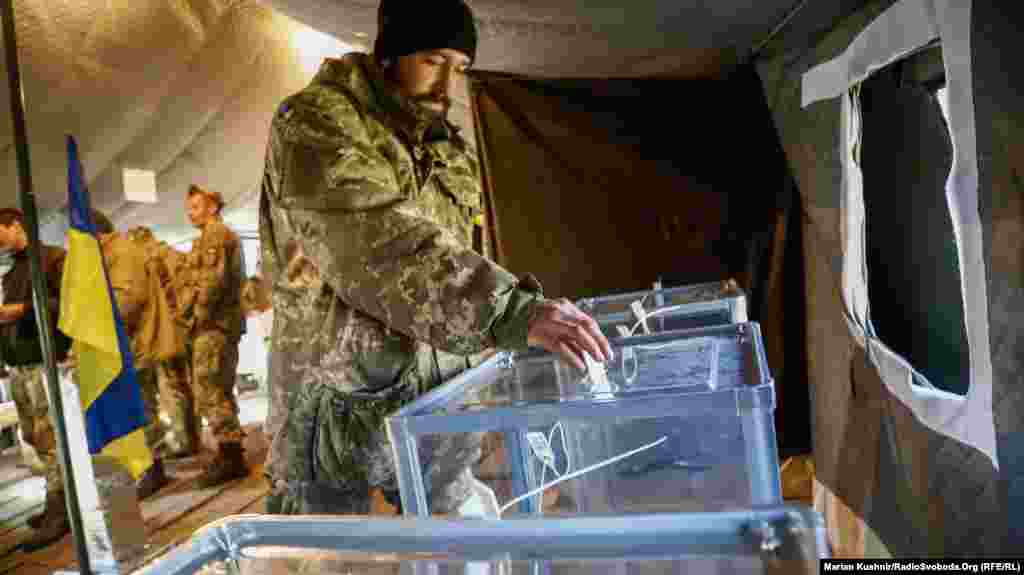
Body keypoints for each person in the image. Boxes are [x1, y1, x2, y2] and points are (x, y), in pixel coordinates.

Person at [259, 0, 612, 515]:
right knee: (326, 545)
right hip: (336, 406)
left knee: (454, 537)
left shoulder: (447, 146)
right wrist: (508, 310)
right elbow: (376, 239)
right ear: (388, 56)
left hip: (437, 396)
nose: (447, 84)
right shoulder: (316, 123)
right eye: (431, 60)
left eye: (460, 67)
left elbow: (458, 248)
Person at [0, 208, 72, 550]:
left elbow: (68, 304)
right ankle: (56, 499)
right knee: (34, 437)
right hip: (20, 364)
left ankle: (61, 509)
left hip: (44, 361)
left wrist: (23, 310)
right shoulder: (12, 271)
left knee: (51, 436)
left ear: (16, 225)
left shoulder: (53, 259)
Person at [92, 212, 176, 499]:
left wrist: (99, 324)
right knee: (139, 405)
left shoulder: (121, 252)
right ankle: (150, 465)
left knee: (141, 406)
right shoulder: (115, 251)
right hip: (128, 342)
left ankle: (153, 467)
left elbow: (129, 298)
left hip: (133, 342)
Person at [178, 185, 247, 487]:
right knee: (219, 387)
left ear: (213, 207)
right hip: (219, 325)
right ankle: (230, 452)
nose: (190, 214)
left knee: (209, 388)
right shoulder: (211, 235)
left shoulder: (216, 234)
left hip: (213, 325)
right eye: (189, 208)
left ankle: (231, 456)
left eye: (196, 207)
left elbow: (212, 282)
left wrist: (196, 316)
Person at [126, 226, 200, 459]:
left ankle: (183, 441)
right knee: (180, 385)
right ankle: (190, 438)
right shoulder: (173, 255)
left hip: (162, 333)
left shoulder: (150, 261)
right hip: (178, 330)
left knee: (171, 386)